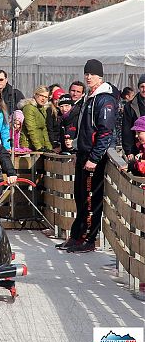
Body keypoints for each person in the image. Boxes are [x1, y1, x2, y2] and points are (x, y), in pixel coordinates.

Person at [57, 59, 118, 253]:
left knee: (91, 199)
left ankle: (89, 238)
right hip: (83, 153)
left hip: (94, 157)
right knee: (81, 197)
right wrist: (77, 148)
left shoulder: (104, 99)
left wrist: (95, 157)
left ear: (100, 76)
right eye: (86, 73)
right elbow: (84, 127)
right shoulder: (88, 98)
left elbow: (105, 131)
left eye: (92, 74)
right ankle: (77, 234)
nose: (88, 77)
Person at [19, 86, 52, 151]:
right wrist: (38, 147)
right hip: (27, 146)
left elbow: (44, 129)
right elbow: (31, 128)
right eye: (41, 95)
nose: (43, 99)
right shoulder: (29, 108)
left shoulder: (42, 109)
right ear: (35, 95)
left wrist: (49, 147)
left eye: (46, 97)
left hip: (38, 145)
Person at [122, 74, 145, 161]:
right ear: (139, 88)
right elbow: (126, 129)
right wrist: (128, 150)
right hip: (136, 146)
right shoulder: (130, 106)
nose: (144, 89)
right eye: (142, 86)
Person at [46, 87, 65, 152]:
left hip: (61, 141)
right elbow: (49, 128)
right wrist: (53, 143)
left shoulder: (62, 111)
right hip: (53, 142)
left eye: (59, 100)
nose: (57, 102)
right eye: (56, 99)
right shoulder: (50, 110)